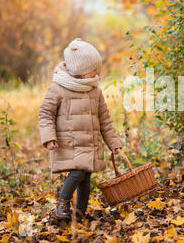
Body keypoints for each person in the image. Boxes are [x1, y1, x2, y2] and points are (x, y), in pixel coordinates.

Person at [38, 38, 122, 220]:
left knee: (86, 178)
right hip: (69, 143)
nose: (96, 72)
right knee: (76, 172)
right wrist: (48, 137)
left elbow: (105, 119)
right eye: (93, 69)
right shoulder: (58, 88)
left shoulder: (95, 90)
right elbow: (45, 114)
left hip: (89, 143)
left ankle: (80, 212)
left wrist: (113, 143)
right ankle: (62, 203)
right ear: (80, 70)